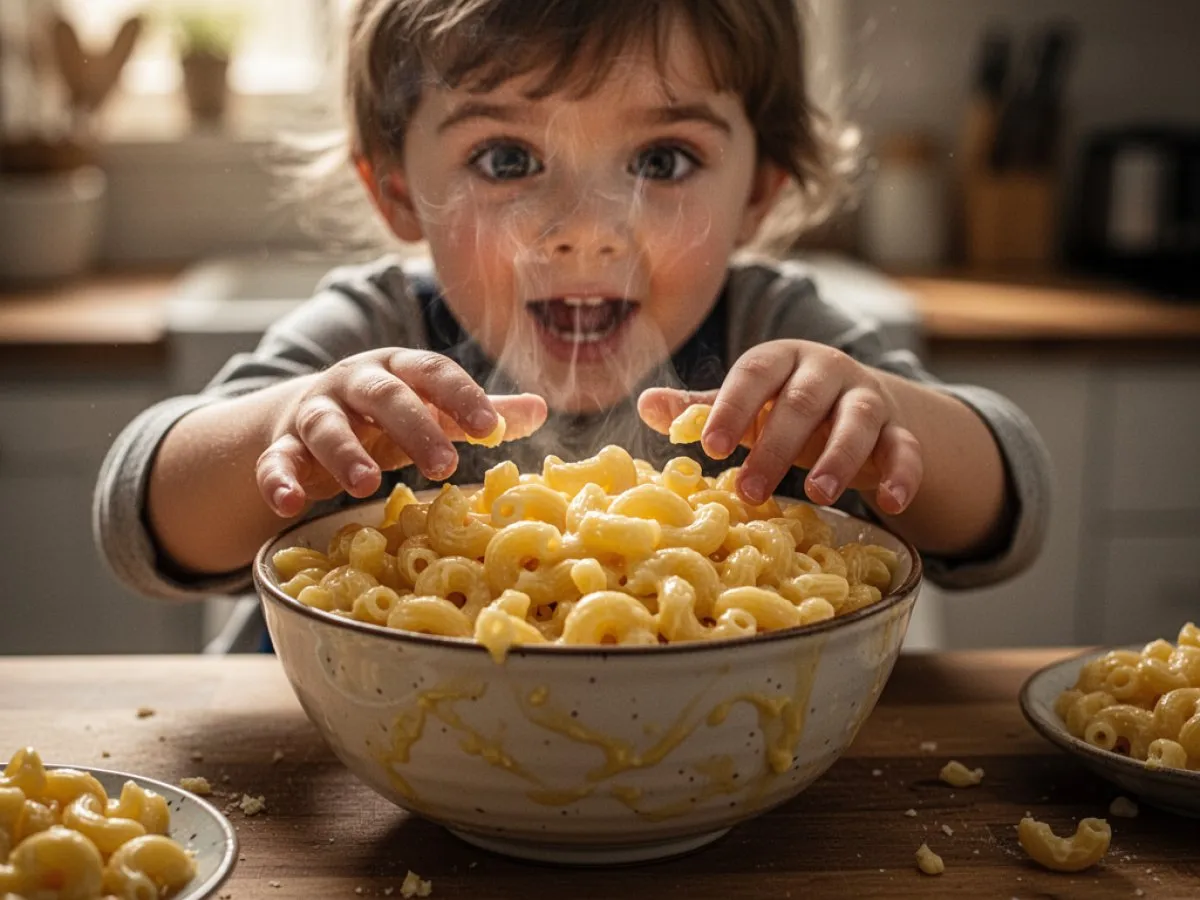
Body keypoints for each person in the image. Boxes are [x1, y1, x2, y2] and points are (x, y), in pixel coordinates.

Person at [95, 0, 1050, 608]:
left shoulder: (782, 344)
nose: (586, 230)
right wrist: (283, 426)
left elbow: (1013, 511)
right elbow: (136, 522)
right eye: (506, 160)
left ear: (760, 190)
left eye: (662, 161)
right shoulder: (369, 341)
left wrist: (888, 419)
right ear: (394, 189)